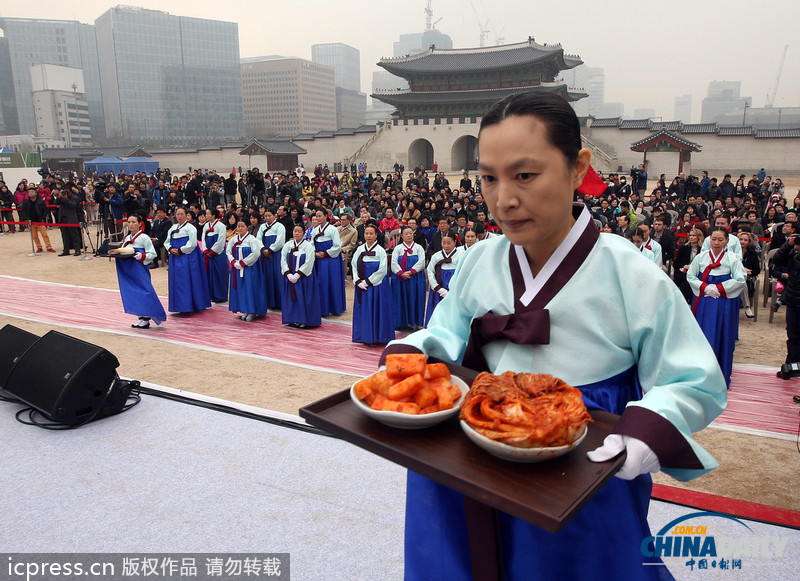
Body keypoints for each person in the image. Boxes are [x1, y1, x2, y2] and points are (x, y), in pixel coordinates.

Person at [378, 92, 726, 580]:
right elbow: (447, 330)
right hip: (468, 447)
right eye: (488, 178)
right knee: (455, 557)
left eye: (525, 175)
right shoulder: (479, 259)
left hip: (579, 460)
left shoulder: (630, 272)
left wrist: (647, 426)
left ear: (578, 166)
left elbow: (693, 378)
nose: (504, 199)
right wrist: (415, 353)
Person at [687, 227, 746, 388]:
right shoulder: (701, 258)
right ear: (709, 240)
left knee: (722, 336)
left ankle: (720, 376)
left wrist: (719, 288)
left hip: (723, 302)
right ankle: (700, 375)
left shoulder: (732, 259)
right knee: (702, 336)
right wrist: (705, 287)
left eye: (720, 239)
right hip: (704, 301)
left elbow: (740, 279)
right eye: (714, 239)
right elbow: (690, 276)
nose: (716, 242)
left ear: (727, 240)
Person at [116, 214, 167, 329]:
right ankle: (141, 317)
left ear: (140, 223)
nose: (131, 224)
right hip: (129, 269)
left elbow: (153, 253)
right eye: (129, 222)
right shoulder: (128, 238)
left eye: (134, 222)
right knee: (133, 292)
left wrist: (142, 256)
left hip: (139, 268)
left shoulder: (144, 238)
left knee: (144, 291)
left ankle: (147, 317)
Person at [351, 224, 395, 344]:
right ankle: (363, 336)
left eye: (371, 233)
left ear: (376, 235)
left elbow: (383, 270)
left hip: (377, 286)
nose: (369, 236)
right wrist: (358, 281)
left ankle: (378, 337)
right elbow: (354, 266)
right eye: (366, 233)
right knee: (363, 310)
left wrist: (368, 281)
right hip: (362, 286)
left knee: (377, 310)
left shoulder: (380, 251)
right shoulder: (359, 249)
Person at [164, 207, 211, 314]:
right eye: (178, 214)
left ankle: (192, 305)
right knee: (177, 281)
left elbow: (192, 243)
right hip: (175, 256)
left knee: (189, 279)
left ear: (186, 215)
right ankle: (180, 306)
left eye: (182, 214)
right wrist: (171, 249)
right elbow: (167, 241)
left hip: (188, 257)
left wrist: (181, 250)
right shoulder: (173, 228)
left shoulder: (191, 228)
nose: (180, 216)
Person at [280, 225, 321, 329]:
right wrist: (288, 274)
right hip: (290, 277)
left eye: (299, 231)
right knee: (291, 298)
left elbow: (309, 261)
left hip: (304, 278)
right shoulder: (288, 245)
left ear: (303, 233)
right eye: (295, 231)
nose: (296, 233)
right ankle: (293, 319)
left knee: (304, 298)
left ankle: (304, 320)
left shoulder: (308, 246)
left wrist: (298, 274)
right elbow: (283, 260)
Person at [226, 219, 266, 322]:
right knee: (241, 289)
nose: (240, 228)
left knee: (250, 288)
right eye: (238, 226)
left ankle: (252, 311)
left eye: (242, 226)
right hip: (237, 268)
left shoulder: (252, 239)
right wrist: (234, 262)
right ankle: (244, 309)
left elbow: (256, 253)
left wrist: (243, 263)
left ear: (247, 228)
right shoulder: (234, 239)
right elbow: (228, 251)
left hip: (250, 269)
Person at [390, 226, 427, 330]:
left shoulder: (419, 248)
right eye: (406, 234)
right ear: (402, 236)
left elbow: (422, 262)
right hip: (400, 279)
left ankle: (414, 322)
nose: (409, 235)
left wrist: (411, 272)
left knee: (415, 298)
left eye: (410, 233)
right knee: (400, 298)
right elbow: (393, 262)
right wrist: (401, 273)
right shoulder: (398, 248)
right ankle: (401, 322)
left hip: (415, 278)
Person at [312, 209, 346, 316]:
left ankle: (335, 308)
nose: (318, 218)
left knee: (333, 282)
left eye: (320, 216)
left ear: (326, 216)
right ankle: (322, 308)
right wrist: (315, 252)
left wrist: (325, 253)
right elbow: (312, 244)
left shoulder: (332, 229)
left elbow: (337, 245)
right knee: (320, 283)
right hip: (319, 259)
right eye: (316, 216)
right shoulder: (315, 230)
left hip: (331, 259)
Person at [425, 232, 463, 326]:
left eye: (449, 243)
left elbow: (462, 273)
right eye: (444, 243)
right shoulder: (436, 256)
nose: (446, 246)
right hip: (438, 290)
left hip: (454, 289)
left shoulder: (460, 256)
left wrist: (453, 290)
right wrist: (438, 289)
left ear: (455, 242)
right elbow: (430, 272)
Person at [256, 209, 285, 311]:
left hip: (275, 254)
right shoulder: (262, 227)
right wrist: (263, 249)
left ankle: (279, 302)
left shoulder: (280, 226)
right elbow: (258, 239)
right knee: (266, 276)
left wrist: (271, 250)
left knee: (277, 276)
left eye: (269, 215)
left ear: (274, 215)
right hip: (264, 255)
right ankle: (268, 301)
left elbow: (280, 241)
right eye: (265, 216)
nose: (267, 218)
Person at [202, 209, 229, 303]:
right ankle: (210, 295)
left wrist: (213, 251)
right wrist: (205, 249)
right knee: (209, 272)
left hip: (218, 253)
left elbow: (221, 240)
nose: (206, 216)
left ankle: (220, 296)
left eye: (208, 214)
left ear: (214, 215)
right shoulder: (206, 225)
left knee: (219, 273)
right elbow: (203, 238)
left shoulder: (221, 226)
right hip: (208, 252)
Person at [674, 228, 704, 304]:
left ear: (699, 237)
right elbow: (676, 263)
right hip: (684, 273)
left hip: (697, 275)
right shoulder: (684, 248)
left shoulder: (703, 250)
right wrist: (685, 266)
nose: (691, 237)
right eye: (690, 235)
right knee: (685, 282)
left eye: (694, 235)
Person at [21, 187, 55, 253]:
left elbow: (45, 210)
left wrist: (43, 218)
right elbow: (24, 211)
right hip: (31, 221)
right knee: (34, 235)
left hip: (40, 220)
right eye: (29, 192)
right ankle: (39, 247)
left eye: (32, 192)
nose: (31, 193)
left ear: (36, 193)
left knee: (44, 234)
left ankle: (49, 246)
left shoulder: (41, 201)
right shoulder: (26, 202)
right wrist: (26, 219)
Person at [55, 186, 83, 256]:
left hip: (72, 218)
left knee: (74, 235)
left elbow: (73, 205)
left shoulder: (75, 197)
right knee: (64, 235)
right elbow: (55, 203)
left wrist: (66, 199)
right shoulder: (61, 198)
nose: (65, 192)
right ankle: (66, 250)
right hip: (62, 218)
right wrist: (59, 196)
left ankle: (77, 250)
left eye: (67, 191)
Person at [738, 231, 760, 319]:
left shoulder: (752, 253)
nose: (742, 241)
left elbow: (756, 270)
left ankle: (747, 307)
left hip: (747, 279)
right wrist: (743, 269)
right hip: (731, 276)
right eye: (741, 239)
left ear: (749, 242)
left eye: (745, 240)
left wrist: (749, 272)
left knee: (742, 281)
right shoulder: (731, 252)